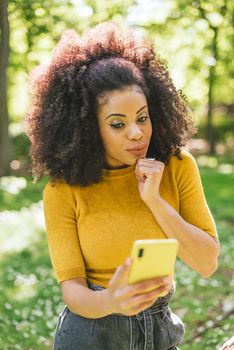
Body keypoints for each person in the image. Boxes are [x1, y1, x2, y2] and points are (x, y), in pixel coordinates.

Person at [25, 21, 220, 350]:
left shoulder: (176, 166)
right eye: (118, 124)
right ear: (87, 127)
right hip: (90, 334)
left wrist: (156, 202)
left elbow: (207, 263)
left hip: (159, 333)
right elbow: (72, 290)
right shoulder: (63, 191)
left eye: (142, 118)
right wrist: (112, 301)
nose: (136, 133)